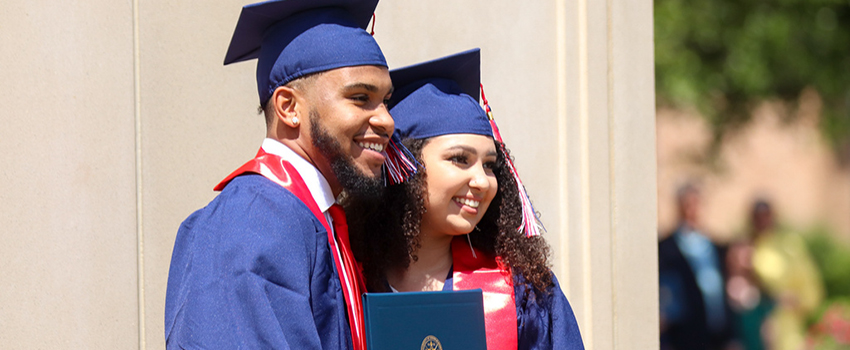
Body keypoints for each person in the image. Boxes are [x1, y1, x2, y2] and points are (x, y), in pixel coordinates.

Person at [163, 0, 415, 348]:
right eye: (360, 98)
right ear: (289, 107)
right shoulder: (253, 220)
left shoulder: (311, 220)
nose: (387, 120)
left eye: (385, 100)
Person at [345, 49, 584, 350]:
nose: (483, 181)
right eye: (459, 159)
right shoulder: (349, 280)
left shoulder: (522, 293)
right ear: (403, 164)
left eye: (489, 165)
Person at [658, 184, 736, 350]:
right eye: (688, 205)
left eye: (696, 205)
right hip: (684, 336)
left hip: (715, 332)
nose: (692, 211)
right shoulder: (666, 249)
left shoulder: (714, 246)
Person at [749, 199, 824, 350]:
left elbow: (809, 283)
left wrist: (798, 300)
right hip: (753, 322)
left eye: (766, 215)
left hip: (785, 325)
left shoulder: (790, 245)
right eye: (758, 217)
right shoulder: (746, 246)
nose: (763, 221)